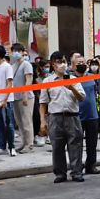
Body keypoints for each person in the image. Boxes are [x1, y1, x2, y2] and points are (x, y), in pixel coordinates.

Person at [39, 51, 86, 183]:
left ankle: (76, 172)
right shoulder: (47, 81)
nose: (62, 65)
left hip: (72, 117)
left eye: (64, 61)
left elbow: (82, 98)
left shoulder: (73, 80)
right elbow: (43, 103)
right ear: (53, 64)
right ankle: (60, 173)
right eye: (59, 62)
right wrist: (43, 121)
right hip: (55, 117)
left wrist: (72, 88)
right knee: (57, 146)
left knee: (76, 144)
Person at [72, 55, 100, 175]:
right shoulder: (71, 79)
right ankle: (77, 167)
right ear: (73, 66)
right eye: (79, 62)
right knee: (77, 144)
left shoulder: (92, 77)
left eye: (83, 62)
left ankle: (91, 166)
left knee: (92, 143)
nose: (82, 64)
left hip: (92, 115)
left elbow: (96, 93)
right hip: (77, 115)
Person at [9, 43, 35, 154]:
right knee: (19, 122)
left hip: (26, 97)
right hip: (15, 97)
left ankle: (29, 144)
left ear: (22, 52)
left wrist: (25, 94)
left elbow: (28, 80)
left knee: (26, 121)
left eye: (18, 51)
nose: (16, 53)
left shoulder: (26, 64)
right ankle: (24, 142)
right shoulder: (13, 65)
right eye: (14, 51)